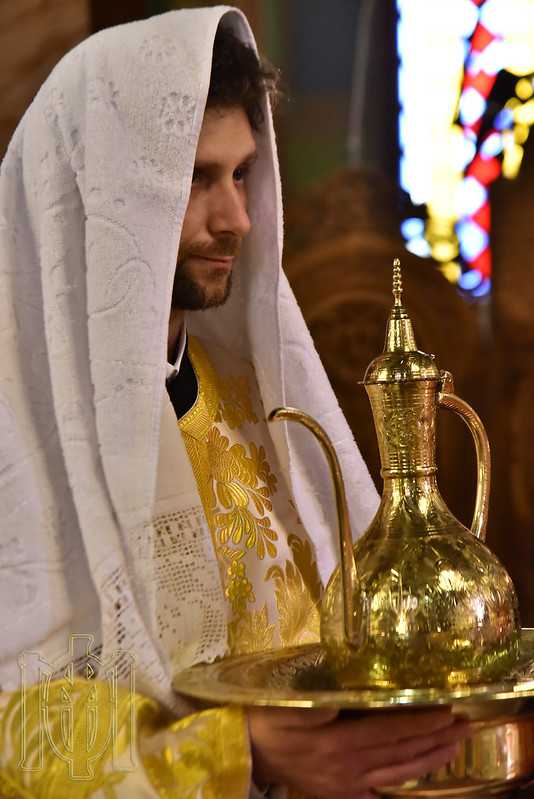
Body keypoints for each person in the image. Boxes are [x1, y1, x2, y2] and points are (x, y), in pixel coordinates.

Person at [0, 6, 470, 797]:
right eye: (197, 179)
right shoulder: (15, 428)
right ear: (99, 189)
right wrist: (236, 754)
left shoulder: (252, 404)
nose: (237, 219)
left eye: (243, 173)